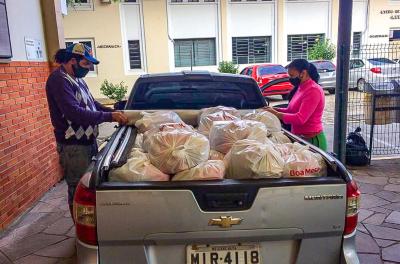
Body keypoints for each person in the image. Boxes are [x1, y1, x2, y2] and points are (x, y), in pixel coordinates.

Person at [46, 43, 129, 218]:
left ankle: (90, 222)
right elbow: (74, 113)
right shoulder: (58, 80)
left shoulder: (77, 79)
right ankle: (80, 229)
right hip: (73, 146)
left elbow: (92, 104)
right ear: (71, 61)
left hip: (87, 141)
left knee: (89, 186)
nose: (89, 68)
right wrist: (109, 117)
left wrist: (112, 112)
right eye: (86, 64)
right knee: (78, 190)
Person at [265, 59, 327, 151]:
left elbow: (300, 118)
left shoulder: (313, 91)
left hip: (312, 141)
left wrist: (276, 114)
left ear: (303, 73)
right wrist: (273, 109)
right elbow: (291, 111)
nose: (290, 79)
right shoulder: (300, 88)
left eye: (292, 75)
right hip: (300, 138)